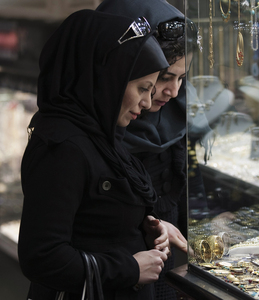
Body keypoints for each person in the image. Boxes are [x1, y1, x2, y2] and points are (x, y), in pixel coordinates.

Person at [18, 9, 172, 300]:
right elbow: (42, 257)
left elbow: (93, 224)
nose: (147, 101)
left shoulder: (101, 136)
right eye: (142, 87)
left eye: (151, 90)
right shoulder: (64, 147)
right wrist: (129, 267)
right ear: (109, 76)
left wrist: (142, 229)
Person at [96, 1, 212, 299]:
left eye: (182, 78)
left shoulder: (178, 109)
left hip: (167, 256)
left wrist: (202, 233)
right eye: (164, 77)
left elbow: (188, 178)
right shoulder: (89, 131)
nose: (173, 92)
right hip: (112, 271)